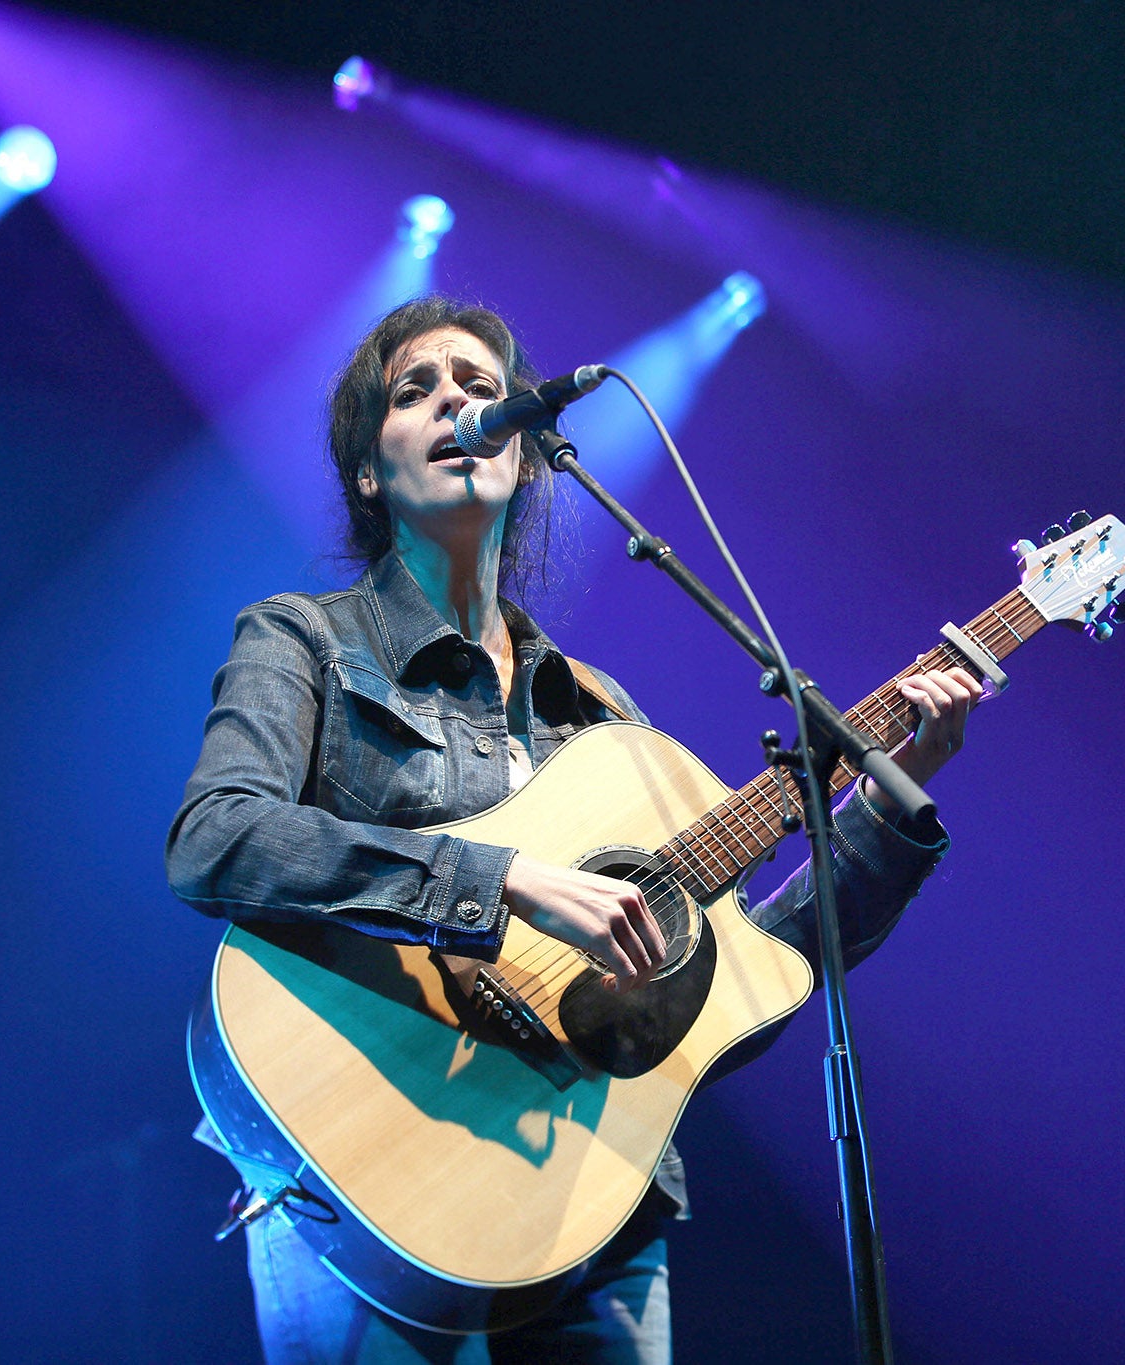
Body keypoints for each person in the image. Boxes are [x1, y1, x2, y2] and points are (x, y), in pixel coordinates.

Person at [165, 295, 981, 1363]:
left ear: (533, 453)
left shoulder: (600, 715)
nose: (457, 399)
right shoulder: (304, 641)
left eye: (480, 386)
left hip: (593, 1203)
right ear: (368, 471)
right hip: (363, 1171)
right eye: (416, 391)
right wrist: (503, 882)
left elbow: (743, 986)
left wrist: (878, 806)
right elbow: (217, 839)